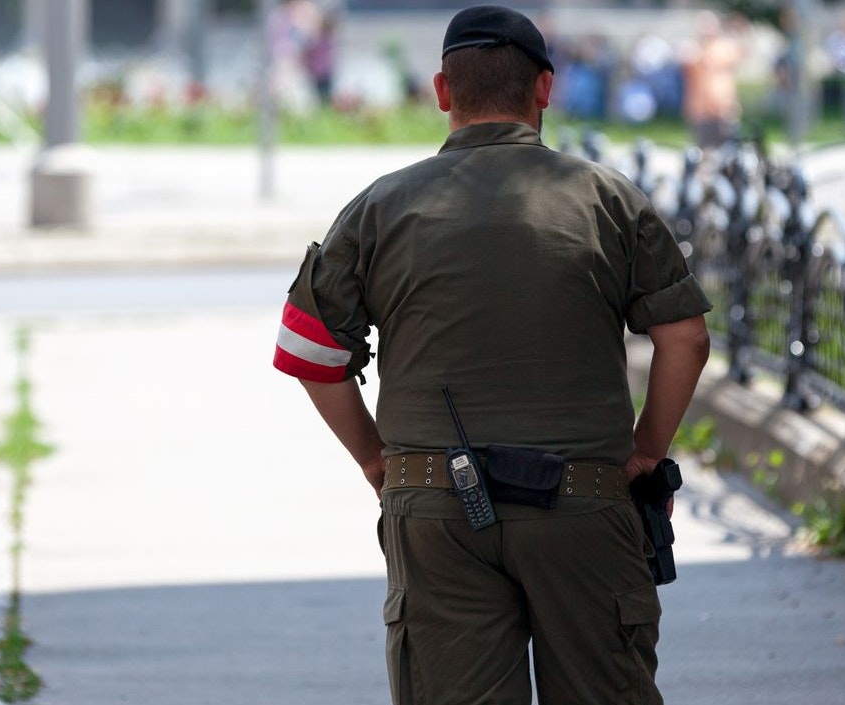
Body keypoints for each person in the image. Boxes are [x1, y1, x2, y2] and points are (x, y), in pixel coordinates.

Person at [271, 6, 711, 705]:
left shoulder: (380, 207)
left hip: (435, 506)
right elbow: (685, 336)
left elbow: (306, 348)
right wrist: (648, 449)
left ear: (442, 91)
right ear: (545, 89)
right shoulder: (607, 200)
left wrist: (376, 460)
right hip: (584, 503)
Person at [681, 10, 744, 149]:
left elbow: (741, 53)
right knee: (704, 150)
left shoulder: (725, 47)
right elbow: (688, 67)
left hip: (724, 109)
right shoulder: (693, 49)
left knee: (729, 148)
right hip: (701, 112)